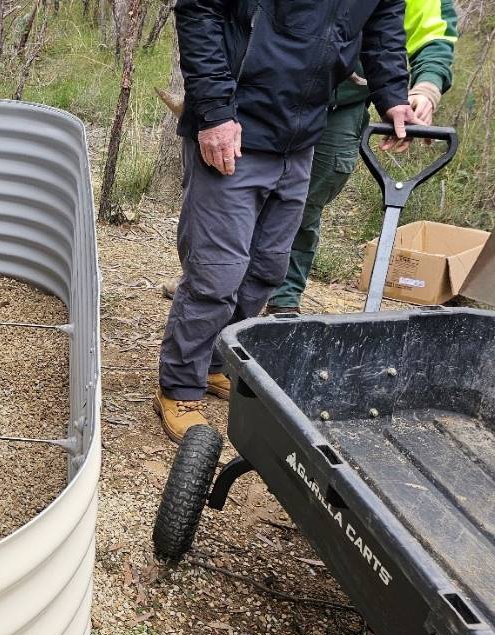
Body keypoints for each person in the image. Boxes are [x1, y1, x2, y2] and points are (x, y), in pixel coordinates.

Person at [155, 0, 420, 442]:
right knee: (217, 275)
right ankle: (180, 385)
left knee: (266, 270)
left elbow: (382, 25)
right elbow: (199, 10)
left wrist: (392, 96)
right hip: (235, 126)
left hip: (300, 135)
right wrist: (216, 112)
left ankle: (215, 362)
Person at [265, 0, 458, 314]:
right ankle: (213, 277)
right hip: (272, 82)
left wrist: (425, 88)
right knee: (241, 180)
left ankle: (283, 299)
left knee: (306, 197)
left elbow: (432, 32)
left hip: (345, 98)